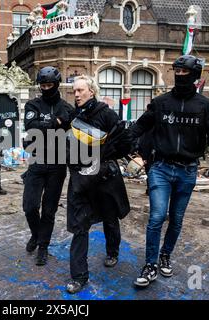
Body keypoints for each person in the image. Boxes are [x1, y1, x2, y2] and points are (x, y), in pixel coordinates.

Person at [128, 55, 209, 287]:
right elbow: (140, 125)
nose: (180, 76)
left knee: (177, 219)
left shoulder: (205, 106)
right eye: (177, 72)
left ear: (195, 75)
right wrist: (129, 144)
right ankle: (150, 264)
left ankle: (165, 255)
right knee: (157, 216)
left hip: (188, 171)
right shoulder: (161, 103)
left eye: (185, 72)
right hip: (160, 168)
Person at [65, 75, 132, 294]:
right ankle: (79, 276)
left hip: (104, 177)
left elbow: (126, 142)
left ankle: (112, 252)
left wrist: (108, 155)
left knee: (110, 219)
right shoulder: (73, 115)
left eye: (80, 91)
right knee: (79, 227)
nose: (76, 95)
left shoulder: (106, 113)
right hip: (81, 178)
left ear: (91, 92)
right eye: (74, 91)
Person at [22, 66, 73, 266]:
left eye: (49, 85)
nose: (45, 88)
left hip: (58, 165)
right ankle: (36, 234)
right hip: (36, 161)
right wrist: (56, 122)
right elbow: (31, 127)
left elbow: (72, 128)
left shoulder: (67, 108)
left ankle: (43, 247)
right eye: (42, 85)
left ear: (56, 84)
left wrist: (49, 124)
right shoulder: (32, 105)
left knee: (49, 211)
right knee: (30, 206)